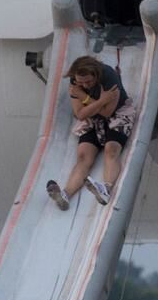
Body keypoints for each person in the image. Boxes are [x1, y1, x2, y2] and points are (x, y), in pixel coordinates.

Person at [47, 55, 136, 211]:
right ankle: (65, 195)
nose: (85, 85)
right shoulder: (76, 82)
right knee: (83, 157)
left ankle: (106, 189)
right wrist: (100, 100)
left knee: (111, 149)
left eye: (89, 82)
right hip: (92, 119)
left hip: (118, 114)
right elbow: (79, 114)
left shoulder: (109, 78)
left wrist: (85, 98)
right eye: (81, 82)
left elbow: (108, 112)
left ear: (96, 75)